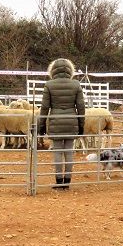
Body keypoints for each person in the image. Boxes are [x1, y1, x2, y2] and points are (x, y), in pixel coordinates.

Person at [38, 58, 85, 190]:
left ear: (52, 70)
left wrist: (41, 125)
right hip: (72, 122)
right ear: (70, 70)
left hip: (55, 122)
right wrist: (81, 125)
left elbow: (44, 107)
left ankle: (59, 182)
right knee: (69, 152)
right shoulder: (76, 84)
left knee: (58, 152)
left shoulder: (49, 85)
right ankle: (67, 182)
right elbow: (81, 107)